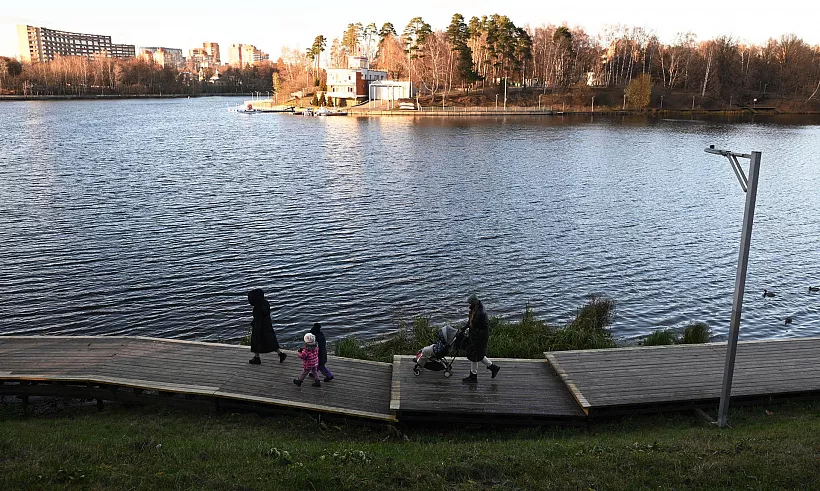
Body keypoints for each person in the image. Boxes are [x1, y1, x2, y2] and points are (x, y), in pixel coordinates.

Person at [462, 294, 500, 383]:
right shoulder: (476, 309)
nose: (469, 305)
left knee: (474, 355)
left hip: (479, 337)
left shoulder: (479, 313)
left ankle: (473, 377)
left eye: (470, 303)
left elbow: (474, 325)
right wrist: (464, 328)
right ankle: (493, 367)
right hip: (477, 335)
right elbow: (470, 322)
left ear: (474, 303)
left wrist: (468, 331)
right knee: (477, 355)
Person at [247, 288, 286, 365]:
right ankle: (280, 353)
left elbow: (258, 320)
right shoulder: (266, 303)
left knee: (256, 342)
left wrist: (255, 329)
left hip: (259, 327)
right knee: (271, 341)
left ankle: (257, 358)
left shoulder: (257, 308)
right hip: (267, 325)